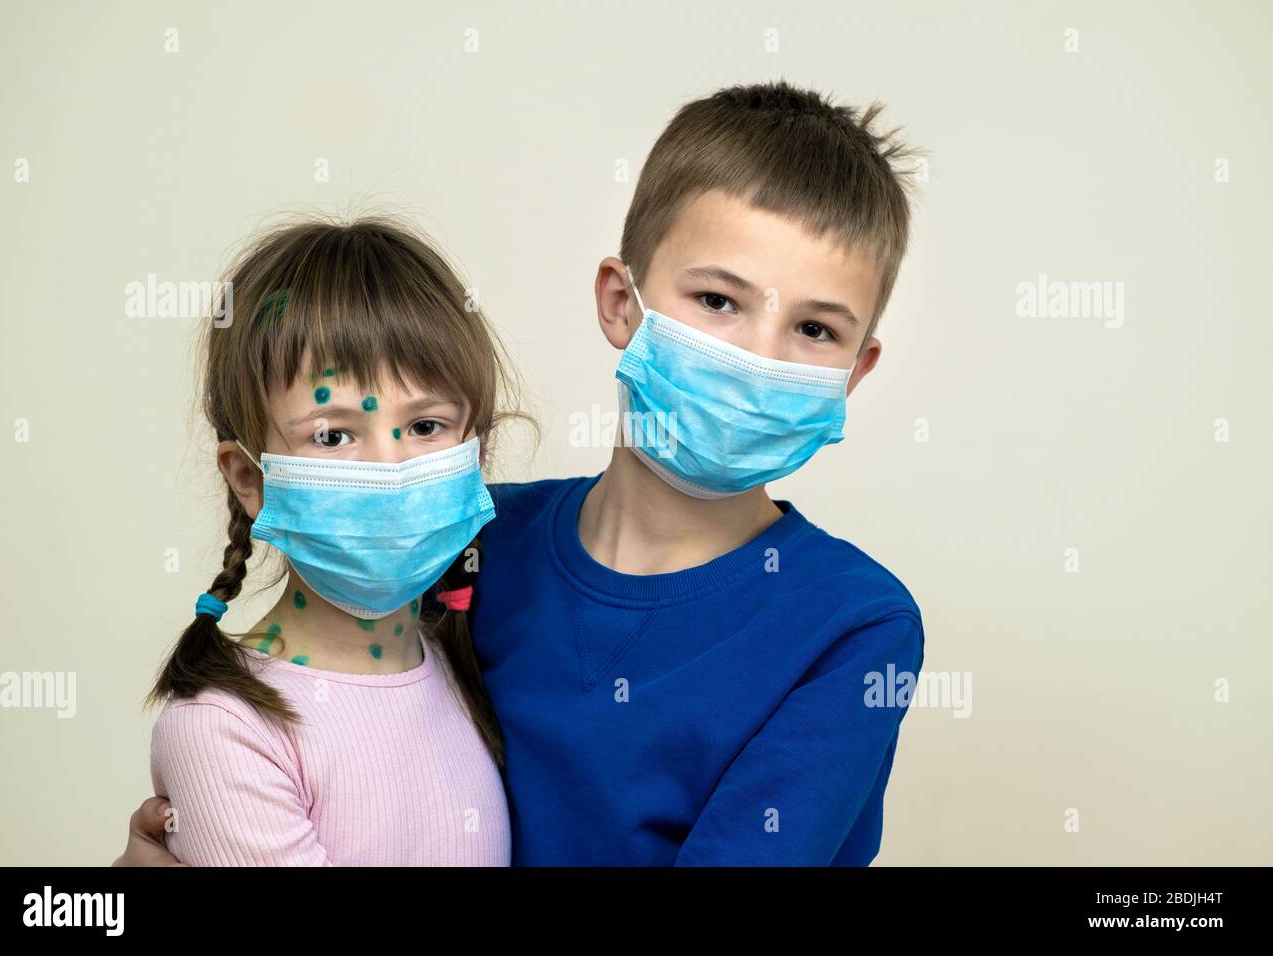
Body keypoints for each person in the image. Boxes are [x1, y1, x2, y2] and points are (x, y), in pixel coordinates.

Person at [117, 80, 924, 867]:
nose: (756, 357)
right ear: (620, 300)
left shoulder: (855, 626)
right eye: (718, 301)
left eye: (815, 328)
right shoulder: (453, 536)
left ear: (855, 371)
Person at [141, 216, 517, 865]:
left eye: (426, 424)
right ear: (248, 479)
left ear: (475, 452)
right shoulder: (225, 727)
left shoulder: (472, 659)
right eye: (333, 436)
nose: (390, 470)